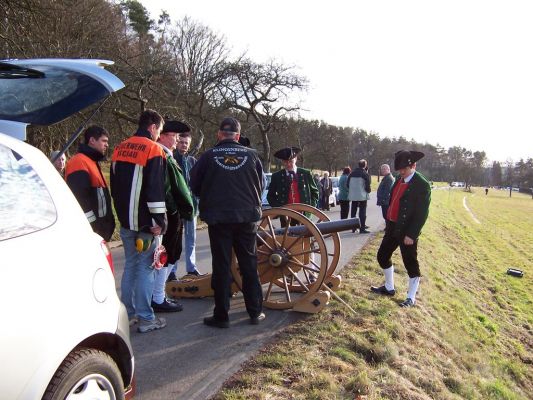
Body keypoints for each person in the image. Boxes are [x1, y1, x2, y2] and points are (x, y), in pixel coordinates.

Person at [190, 117, 264, 328]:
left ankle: (221, 316)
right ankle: (255, 312)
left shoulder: (208, 156)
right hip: (246, 217)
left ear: (219, 135)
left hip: (218, 218)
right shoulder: (252, 156)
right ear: (238, 137)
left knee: (221, 266)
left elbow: (194, 183)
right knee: (249, 264)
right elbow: (261, 185)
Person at [110, 109, 168, 333]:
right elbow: (155, 190)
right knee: (147, 268)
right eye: (159, 131)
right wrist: (160, 222)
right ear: (153, 127)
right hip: (146, 225)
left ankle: (129, 315)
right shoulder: (154, 150)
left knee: (131, 266)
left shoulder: (119, 148)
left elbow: (115, 187)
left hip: (126, 222)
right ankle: (146, 319)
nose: (158, 135)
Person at [371, 150, 431, 308]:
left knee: (410, 263)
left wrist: (412, 234)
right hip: (391, 226)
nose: (401, 172)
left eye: (404, 169)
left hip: (407, 230)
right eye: (399, 169)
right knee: (382, 256)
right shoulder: (399, 178)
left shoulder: (422, 185)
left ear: (413, 165)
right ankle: (389, 287)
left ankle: (411, 298)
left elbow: (422, 214)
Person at [151, 120, 194, 313]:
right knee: (164, 256)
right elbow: (167, 189)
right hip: (169, 214)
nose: (177, 141)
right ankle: (157, 297)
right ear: (162, 136)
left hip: (174, 213)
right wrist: (175, 212)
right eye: (174, 136)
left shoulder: (167, 156)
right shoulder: (160, 156)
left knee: (172, 254)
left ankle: (159, 295)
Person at [64, 125, 115, 241]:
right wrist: (94, 228)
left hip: (98, 231)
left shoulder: (91, 161)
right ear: (92, 140)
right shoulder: (79, 162)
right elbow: (81, 201)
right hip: (91, 232)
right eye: (104, 141)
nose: (107, 145)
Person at [168, 123, 203, 279]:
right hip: (176, 208)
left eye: (186, 143)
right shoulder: (171, 159)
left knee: (191, 240)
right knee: (174, 241)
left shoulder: (193, 161)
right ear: (177, 142)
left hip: (191, 208)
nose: (183, 145)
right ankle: (171, 271)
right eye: (181, 142)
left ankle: (191, 268)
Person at [267, 147, 319, 216]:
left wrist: (309, 209)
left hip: (304, 215)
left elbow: (315, 193)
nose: (288, 164)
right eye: (285, 162)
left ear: (296, 159)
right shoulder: (276, 176)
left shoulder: (306, 173)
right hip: (285, 215)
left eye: (291, 161)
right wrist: (279, 209)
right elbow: (270, 196)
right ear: (282, 161)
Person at [347, 159, 371, 233]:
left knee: (353, 211)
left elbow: (347, 184)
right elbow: (368, 185)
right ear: (365, 165)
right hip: (362, 195)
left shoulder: (351, 174)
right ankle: (362, 228)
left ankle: (353, 228)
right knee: (362, 211)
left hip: (353, 195)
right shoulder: (365, 174)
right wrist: (368, 191)